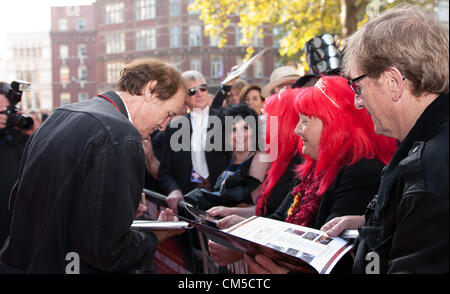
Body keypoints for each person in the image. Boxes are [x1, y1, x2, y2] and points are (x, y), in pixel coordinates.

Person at [0, 58, 185, 274]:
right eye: (169, 114)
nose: (164, 126)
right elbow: (106, 250)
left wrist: (117, 211)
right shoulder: (122, 135)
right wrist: (156, 236)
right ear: (150, 89)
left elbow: (24, 200)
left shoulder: (62, 114)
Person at [322, 4, 449, 274]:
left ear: (393, 81)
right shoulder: (427, 149)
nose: (357, 102)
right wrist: (365, 223)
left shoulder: (430, 166)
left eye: (358, 85)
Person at [241, 76, 397, 273]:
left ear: (334, 125)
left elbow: (329, 257)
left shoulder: (361, 171)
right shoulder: (312, 169)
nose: (297, 130)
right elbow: (280, 217)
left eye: (304, 121)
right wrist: (240, 235)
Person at [160, 70, 228, 213]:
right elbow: (164, 172)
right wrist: (174, 190)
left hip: (222, 202)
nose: (199, 93)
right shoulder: (174, 127)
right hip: (187, 203)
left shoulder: (225, 120)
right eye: (192, 91)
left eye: (203, 88)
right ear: (183, 96)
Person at [0, 83, 30, 247]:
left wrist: (35, 134)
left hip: (14, 239)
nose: (6, 116)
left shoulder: (20, 139)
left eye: (8, 111)